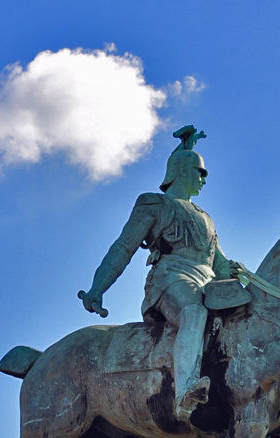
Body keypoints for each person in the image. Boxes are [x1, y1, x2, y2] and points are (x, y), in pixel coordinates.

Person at [79, 126, 238, 421]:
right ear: (179, 170)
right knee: (193, 312)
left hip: (207, 282)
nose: (204, 178)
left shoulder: (206, 217)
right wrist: (97, 288)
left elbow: (220, 264)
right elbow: (123, 247)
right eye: (198, 170)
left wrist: (245, 279)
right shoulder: (155, 203)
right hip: (170, 277)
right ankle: (184, 392)